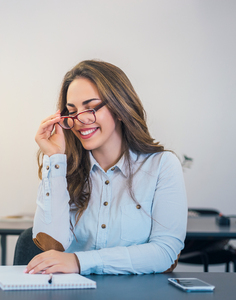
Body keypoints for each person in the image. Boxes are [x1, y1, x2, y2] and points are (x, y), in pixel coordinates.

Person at [25, 60, 187, 275]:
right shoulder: (64, 167)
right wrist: (55, 159)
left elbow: (165, 253)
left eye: (90, 108)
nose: (80, 120)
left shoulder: (162, 166)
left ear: (119, 108)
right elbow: (52, 247)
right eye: (72, 112)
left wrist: (80, 261)